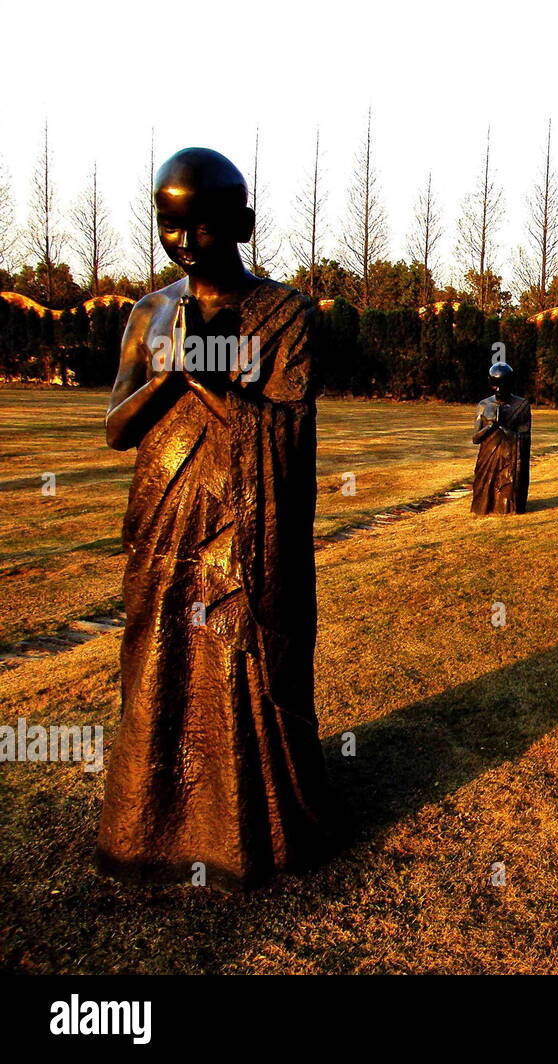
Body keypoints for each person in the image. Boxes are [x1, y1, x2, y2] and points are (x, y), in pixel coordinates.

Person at [98, 147, 335, 889]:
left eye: (202, 225)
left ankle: (249, 826)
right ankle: (152, 819)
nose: (185, 240)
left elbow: (285, 429)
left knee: (241, 653)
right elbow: (117, 426)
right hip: (165, 510)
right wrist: (169, 372)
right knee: (161, 653)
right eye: (170, 224)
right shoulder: (151, 312)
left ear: (242, 224)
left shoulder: (286, 314)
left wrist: (204, 375)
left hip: (245, 521)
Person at [471, 362, 532, 514]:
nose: (498, 390)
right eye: (494, 385)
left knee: (506, 492)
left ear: (510, 384)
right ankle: (484, 507)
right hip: (487, 458)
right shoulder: (484, 405)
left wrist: (503, 426)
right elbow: (475, 439)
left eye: (502, 385)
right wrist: (492, 426)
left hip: (509, 459)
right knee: (483, 490)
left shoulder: (521, 405)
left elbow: (524, 437)